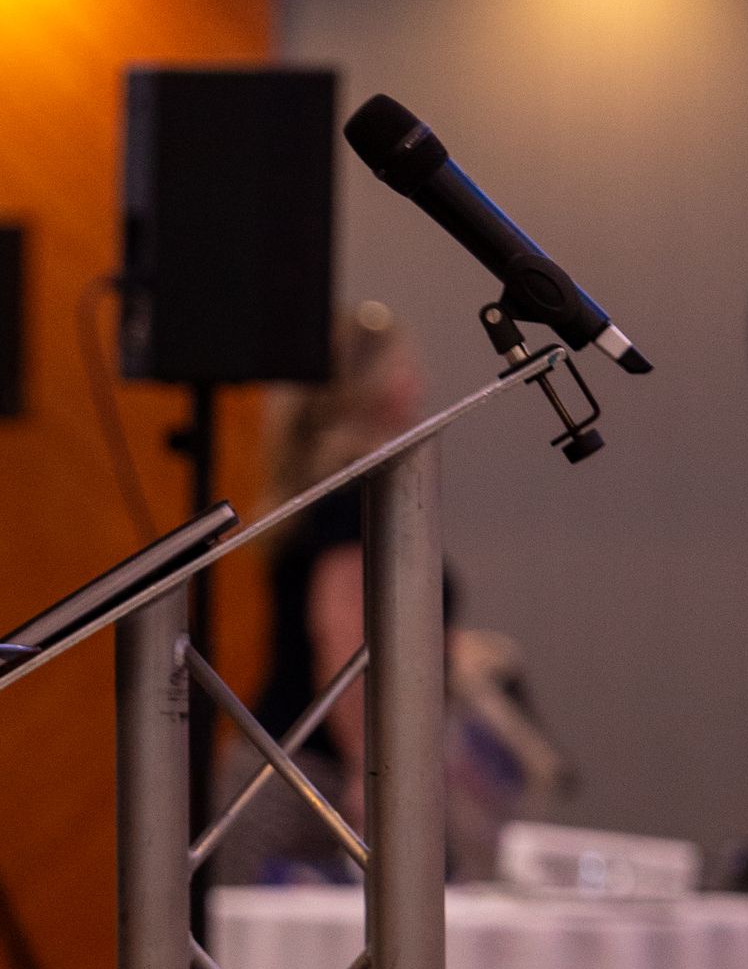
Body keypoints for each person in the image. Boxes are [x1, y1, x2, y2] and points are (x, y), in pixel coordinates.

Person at [217, 303, 566, 885]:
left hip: (295, 770)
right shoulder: (356, 496)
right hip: (314, 783)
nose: (420, 382)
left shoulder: (330, 487)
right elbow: (345, 641)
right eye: (408, 368)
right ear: (373, 386)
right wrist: (369, 767)